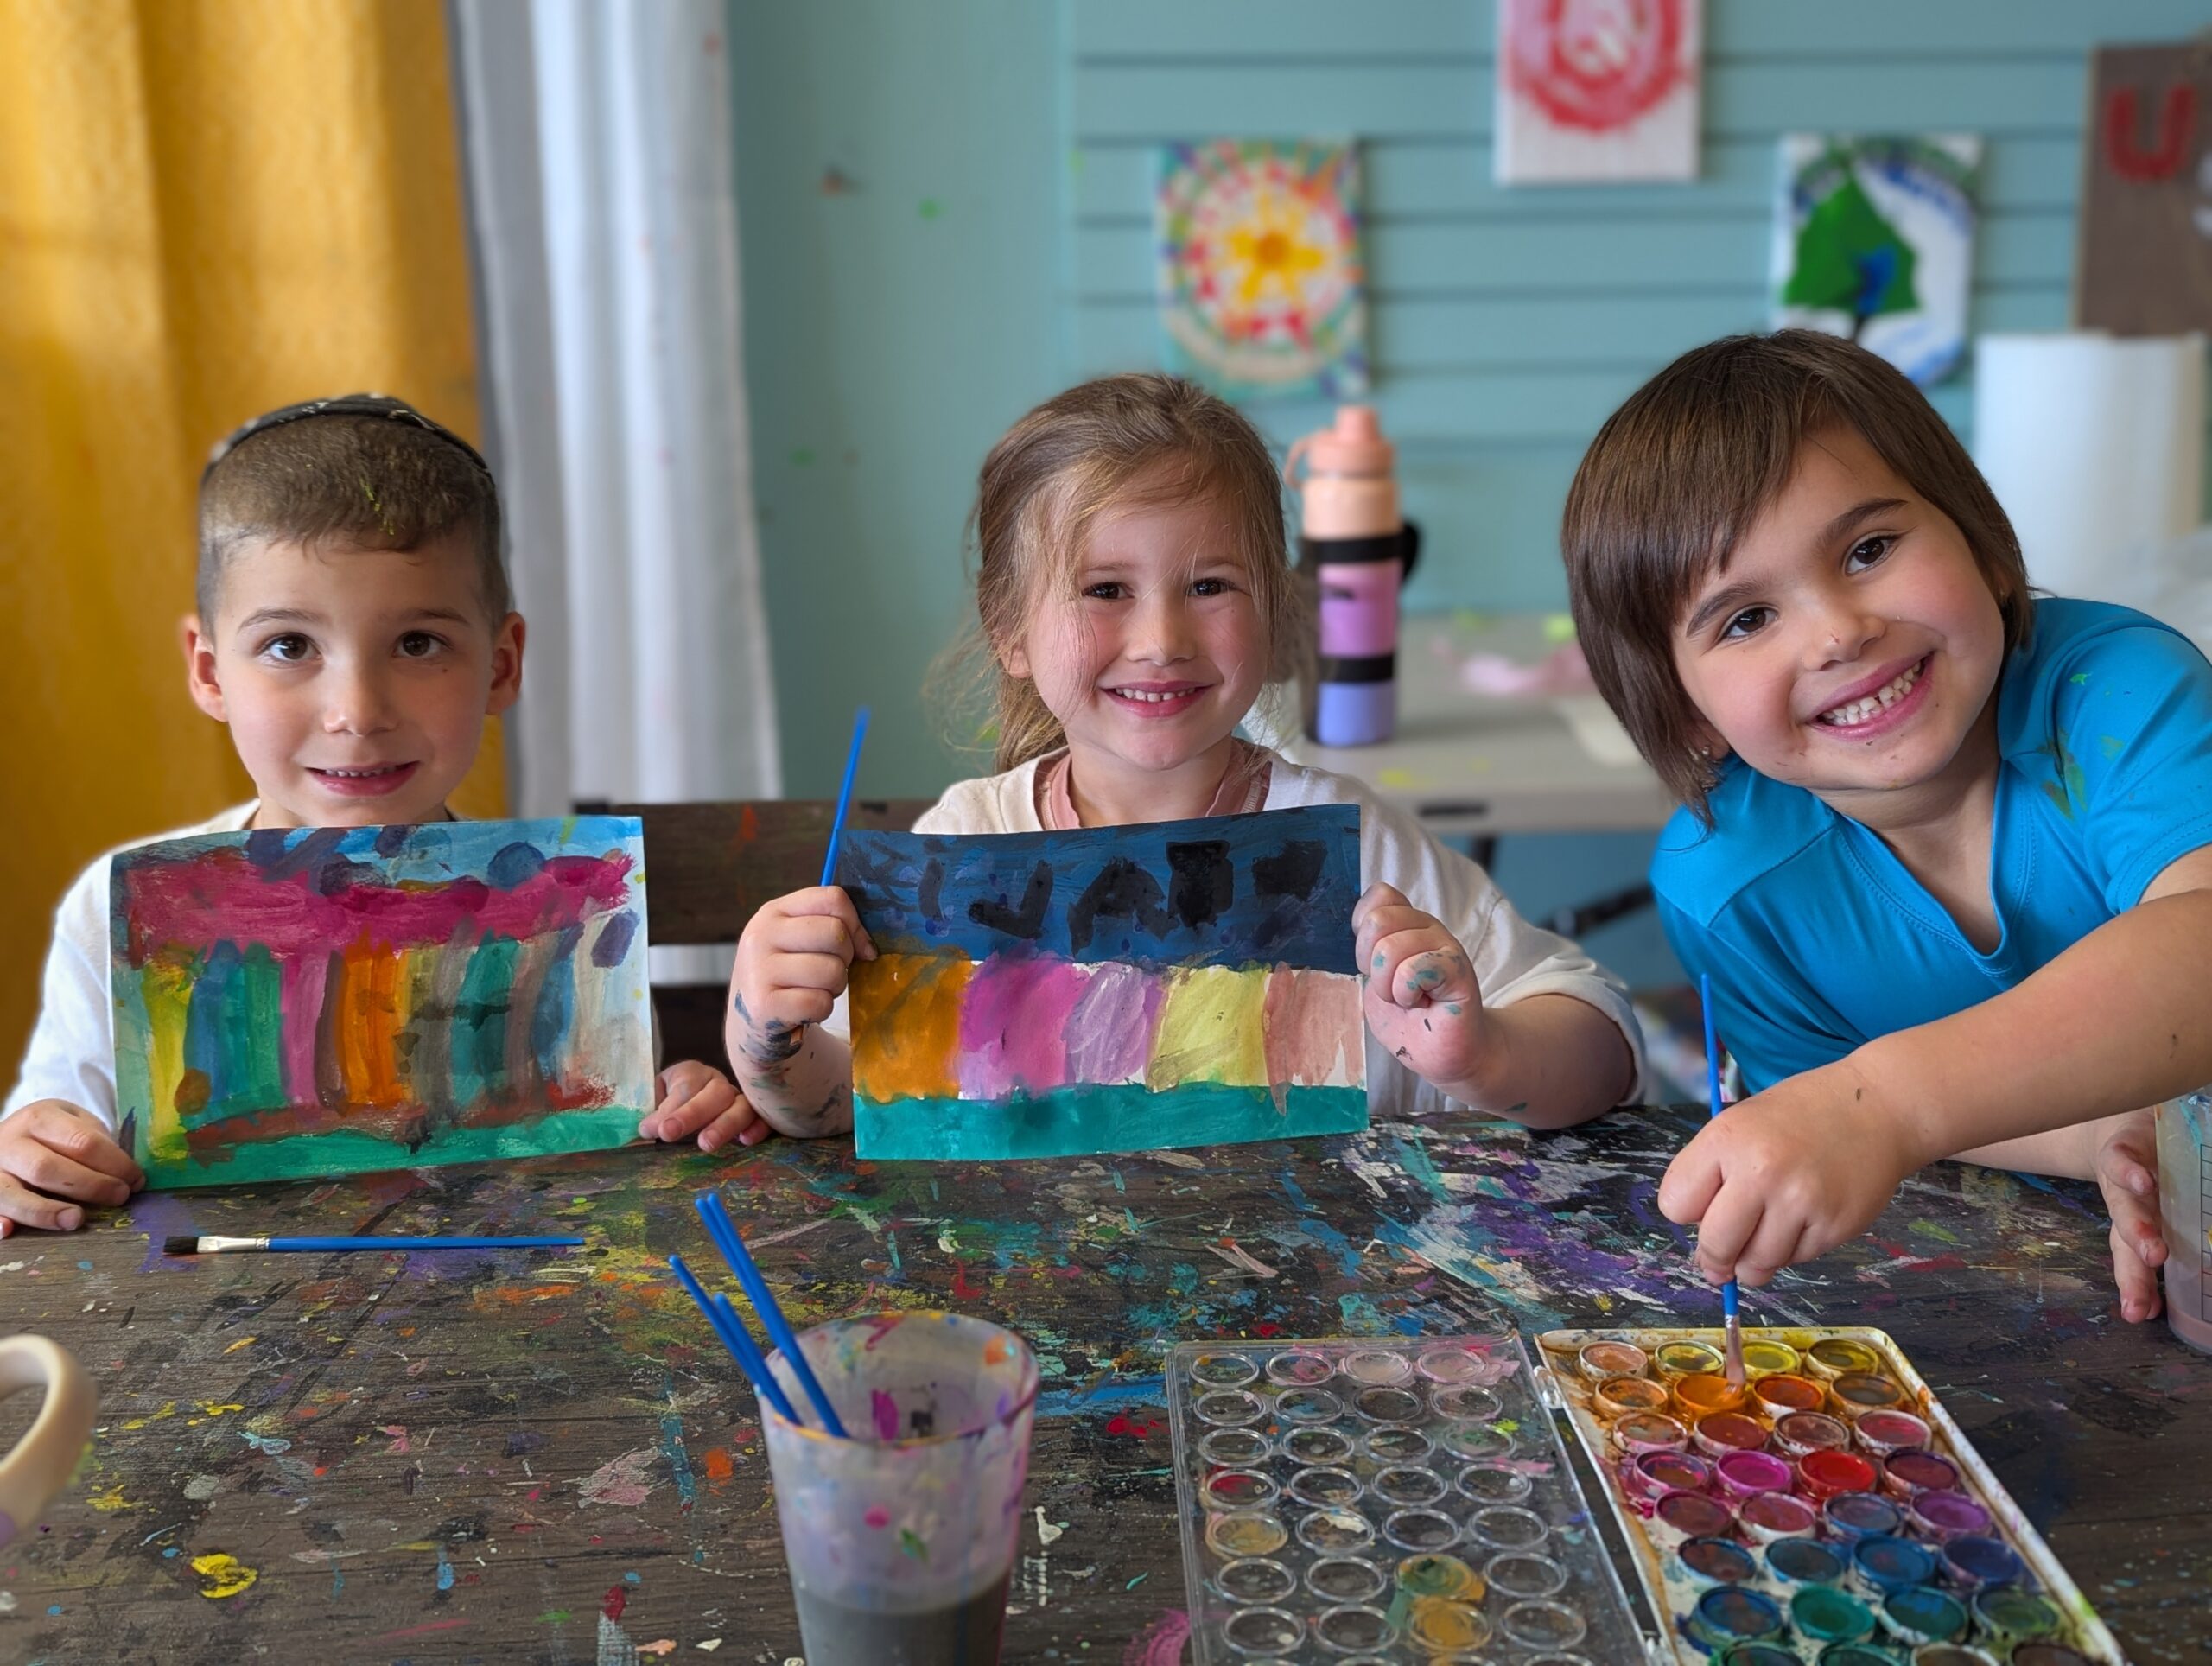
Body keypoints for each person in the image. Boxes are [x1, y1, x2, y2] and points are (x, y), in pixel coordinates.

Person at [728, 373, 1645, 1138]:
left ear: (1274, 610)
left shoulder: (1353, 848)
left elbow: (1599, 1032)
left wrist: (1483, 1054)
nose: (1162, 639)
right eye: (1104, 589)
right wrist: (763, 1040)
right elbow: (848, 1099)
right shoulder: (970, 840)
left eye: (1210, 584)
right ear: (1010, 628)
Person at [1562, 330, 2209, 1322]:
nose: (1838, 632)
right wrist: (2104, 1138)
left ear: (1983, 545)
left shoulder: (2114, 690)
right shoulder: (1725, 886)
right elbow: (1831, 1113)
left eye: (1868, 550)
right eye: (1745, 619)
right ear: (1687, 714)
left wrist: (1889, 1098)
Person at [1, 397, 751, 1235]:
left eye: (418, 643)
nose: (356, 711)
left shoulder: (569, 919)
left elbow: (605, 1154)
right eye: (289, 645)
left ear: (501, 666)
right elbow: (49, 1140)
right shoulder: (113, 909)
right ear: (209, 672)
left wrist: (679, 1108)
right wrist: (32, 1152)